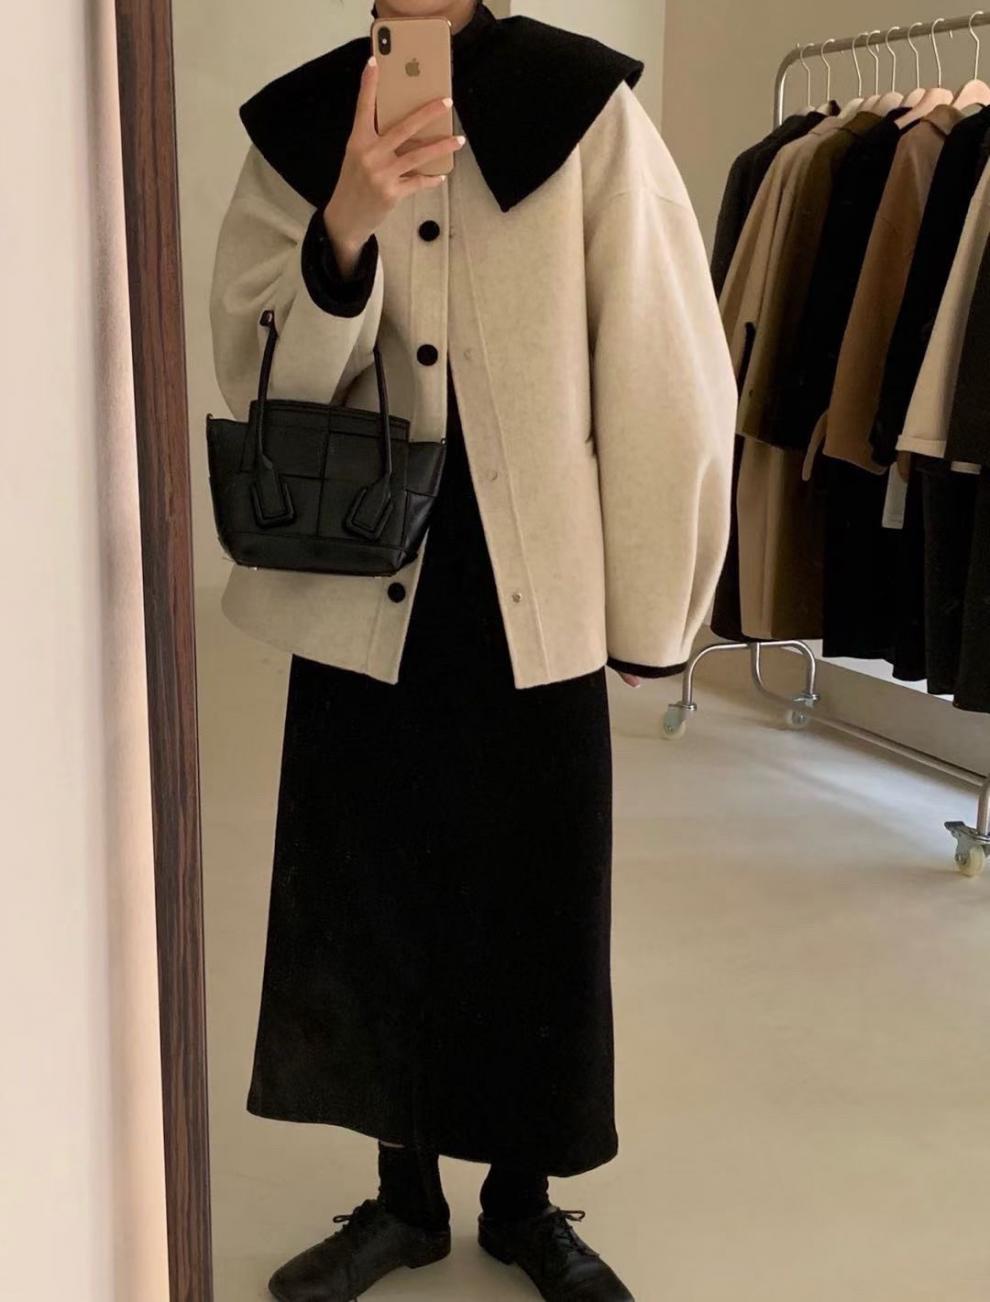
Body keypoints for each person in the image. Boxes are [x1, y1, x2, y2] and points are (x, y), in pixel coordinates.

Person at [209, 2, 735, 1298]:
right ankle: (403, 1201)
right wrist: (344, 224)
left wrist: (653, 604)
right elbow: (250, 373)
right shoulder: (301, 123)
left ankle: (522, 1201)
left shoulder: (583, 109)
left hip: (528, 592)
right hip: (360, 584)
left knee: (534, 901)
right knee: (370, 892)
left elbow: (663, 359)